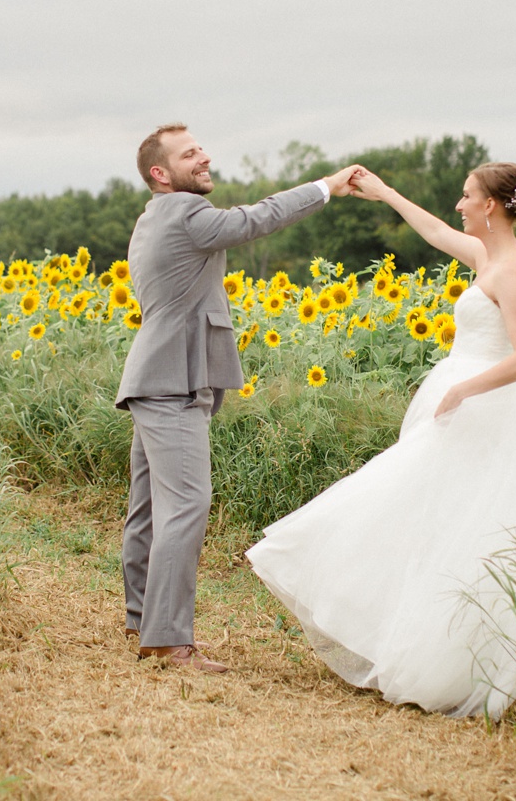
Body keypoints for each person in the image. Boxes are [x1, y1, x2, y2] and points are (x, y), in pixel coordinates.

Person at [246, 162, 516, 717]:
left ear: (491, 207)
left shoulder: (512, 272)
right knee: (445, 519)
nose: (459, 204)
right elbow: (433, 230)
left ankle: (477, 661)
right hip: (469, 406)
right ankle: (430, 642)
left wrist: (465, 390)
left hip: (493, 410)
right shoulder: (488, 257)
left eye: (467, 196)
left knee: (470, 520)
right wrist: (383, 194)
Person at [115, 123, 364, 673]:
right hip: (173, 382)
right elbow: (258, 218)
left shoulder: (152, 218)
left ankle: (142, 618)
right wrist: (327, 186)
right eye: (190, 154)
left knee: (151, 509)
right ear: (161, 173)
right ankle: (168, 640)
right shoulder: (184, 214)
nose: (204, 157)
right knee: (186, 505)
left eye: (201, 148)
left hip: (156, 377)